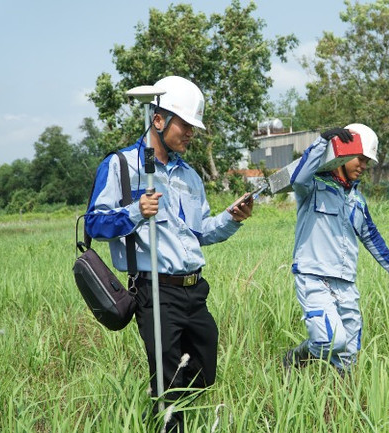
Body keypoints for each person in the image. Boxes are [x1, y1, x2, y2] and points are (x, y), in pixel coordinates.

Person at [85, 75, 253, 431]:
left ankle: (180, 418)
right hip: (154, 290)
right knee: (168, 383)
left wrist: (231, 218)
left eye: (195, 127)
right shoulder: (121, 166)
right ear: (157, 120)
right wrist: (135, 211)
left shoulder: (189, 175)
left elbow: (199, 233)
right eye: (186, 125)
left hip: (194, 289)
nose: (191, 133)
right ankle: (166, 423)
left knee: (203, 373)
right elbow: (94, 225)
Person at [282, 124, 389, 376]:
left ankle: (342, 404)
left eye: (367, 161)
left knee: (349, 351)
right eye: (361, 159)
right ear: (341, 155)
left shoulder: (356, 199)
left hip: (346, 282)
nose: (364, 166)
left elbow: (372, 237)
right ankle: (296, 357)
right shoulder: (312, 188)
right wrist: (322, 141)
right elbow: (298, 177)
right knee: (330, 341)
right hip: (314, 277)